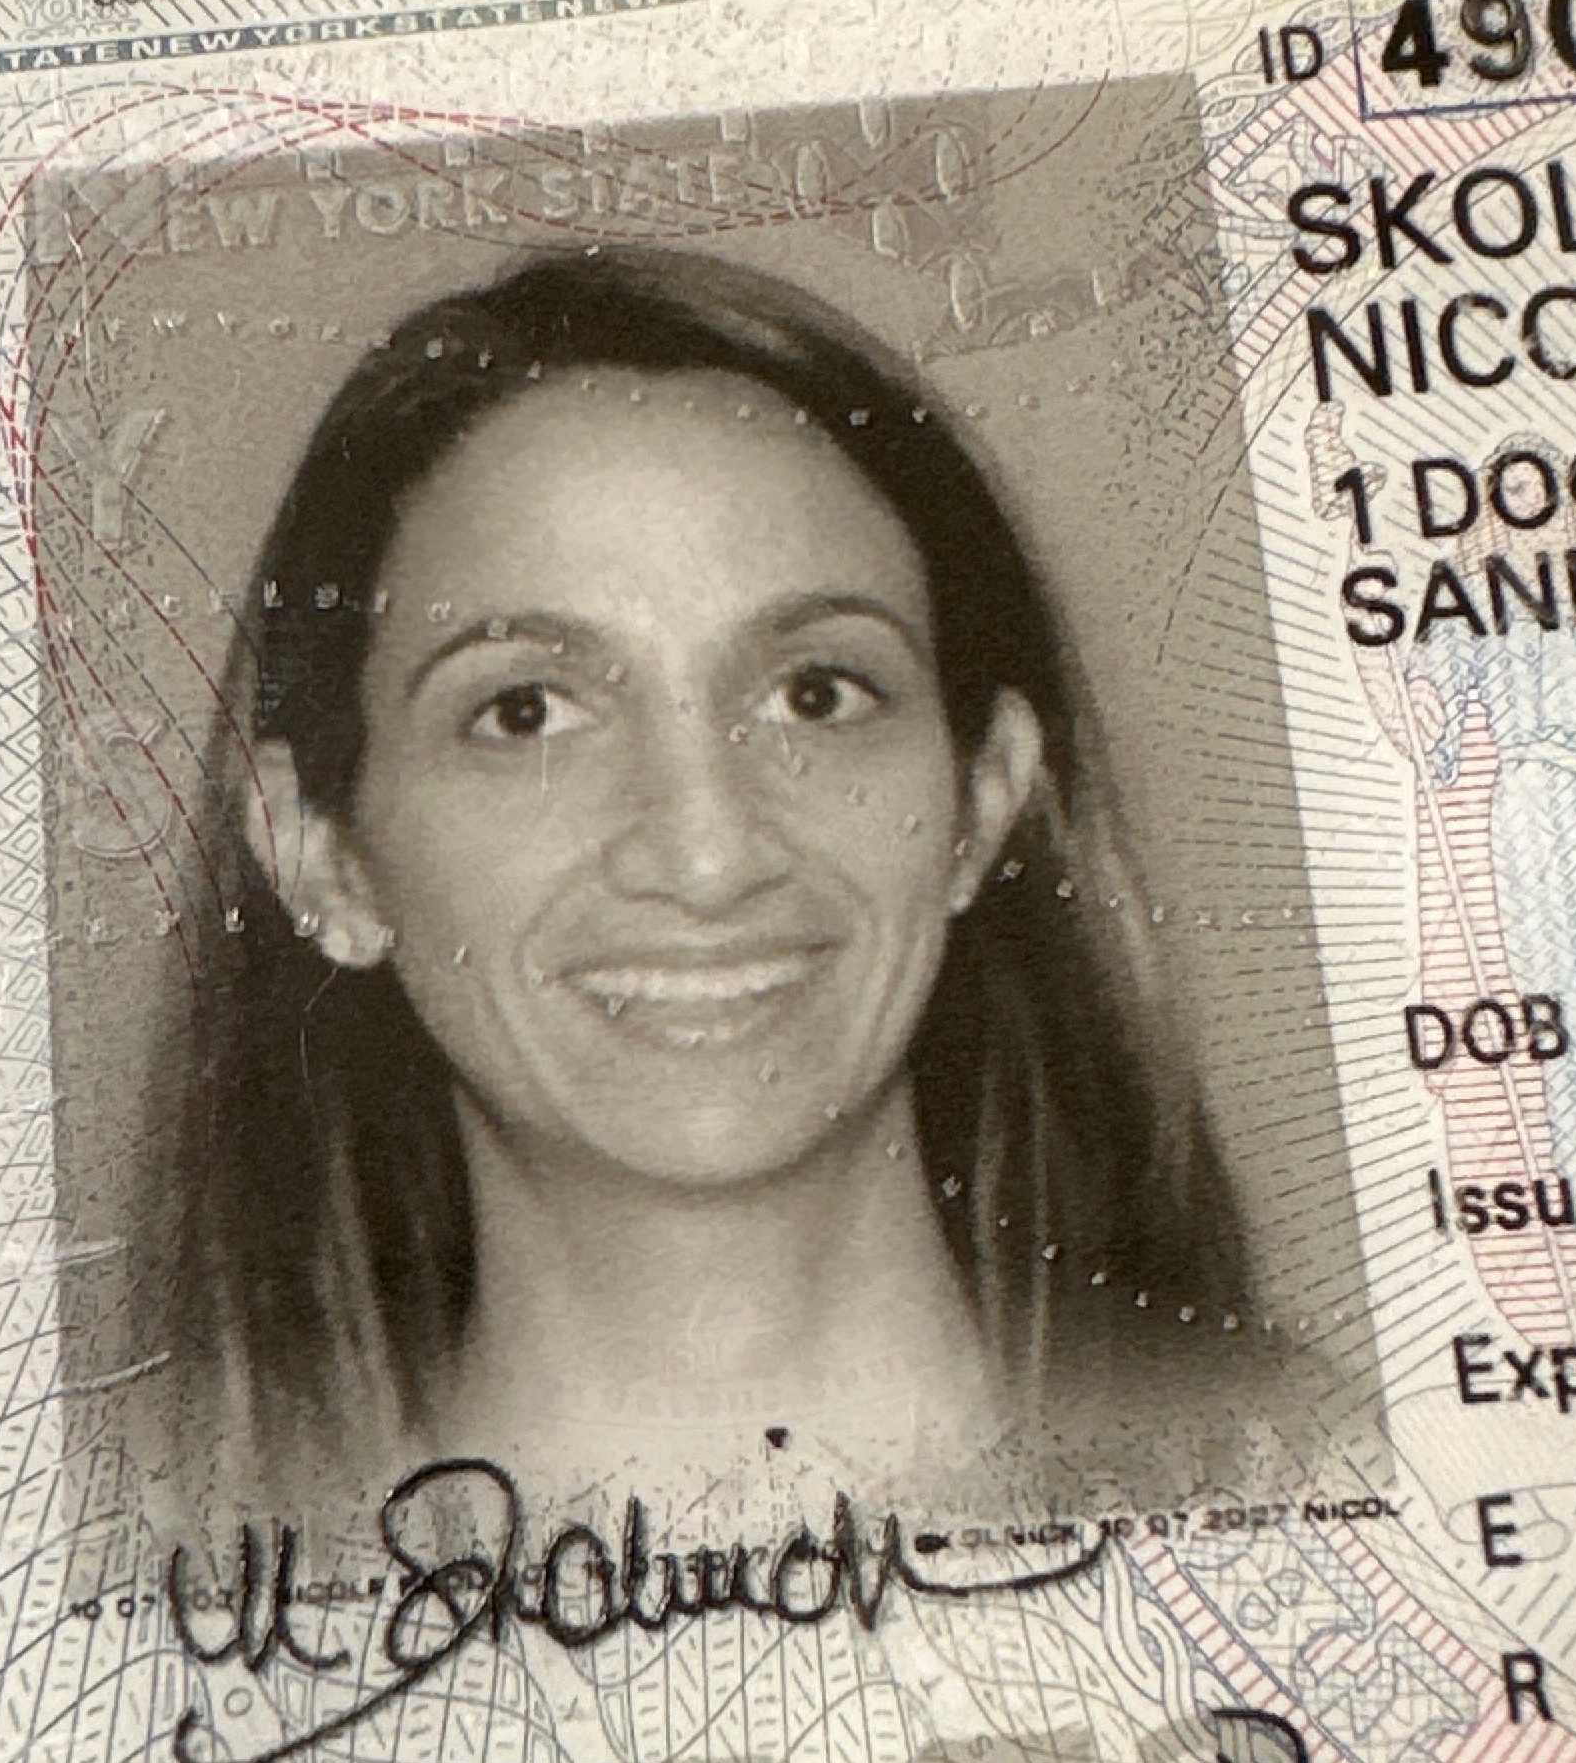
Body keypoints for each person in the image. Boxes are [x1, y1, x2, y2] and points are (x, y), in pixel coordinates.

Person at [138, 245, 1263, 1512]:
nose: (707, 855)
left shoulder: (1349, 1482)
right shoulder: (202, 1585)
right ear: (320, 857)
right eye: (525, 713)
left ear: (982, 799)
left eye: (816, 695)